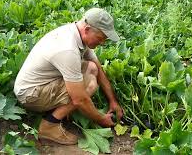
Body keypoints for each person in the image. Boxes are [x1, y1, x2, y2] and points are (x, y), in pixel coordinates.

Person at [14, 8, 123, 145]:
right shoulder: (67, 49)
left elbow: (98, 68)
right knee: (89, 85)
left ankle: (60, 109)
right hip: (31, 94)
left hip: (43, 82)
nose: (102, 43)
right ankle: (49, 126)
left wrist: (113, 101)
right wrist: (101, 119)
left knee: (92, 68)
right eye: (100, 38)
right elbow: (80, 100)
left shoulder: (77, 33)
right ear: (87, 29)